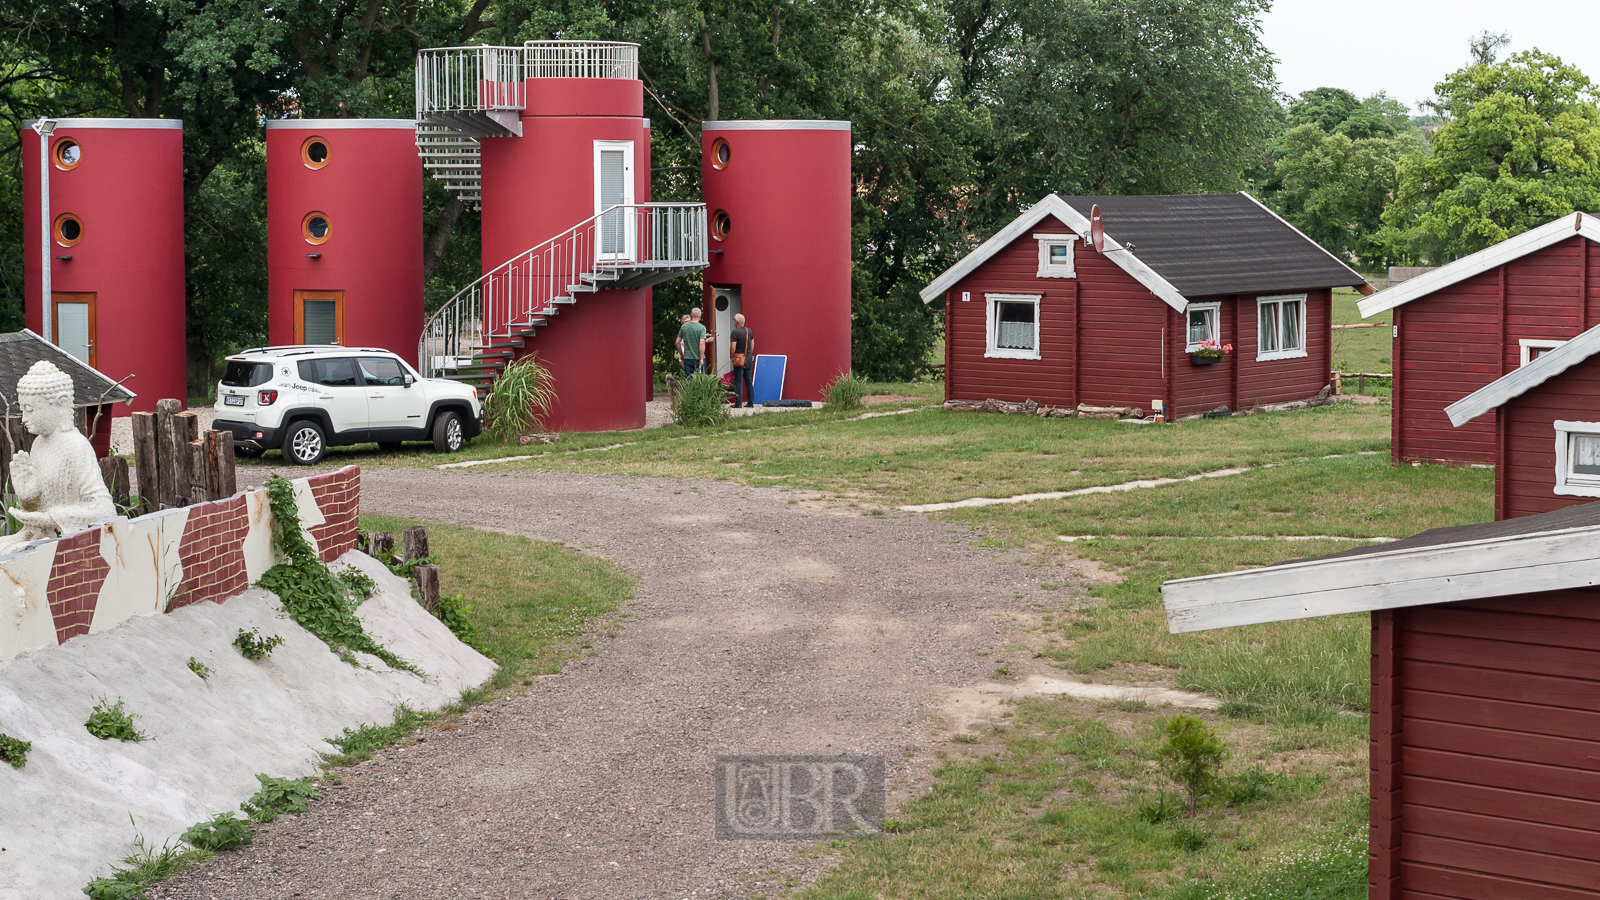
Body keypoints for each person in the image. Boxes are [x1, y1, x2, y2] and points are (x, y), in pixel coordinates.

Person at [0, 360, 115, 549]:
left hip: (66, 540)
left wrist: (50, 518)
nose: (25, 419)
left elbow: (104, 509)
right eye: (22, 410)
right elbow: (36, 511)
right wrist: (28, 496)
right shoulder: (38, 444)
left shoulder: (76, 446)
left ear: (60, 403)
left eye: (30, 410)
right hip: (39, 536)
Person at [729, 313, 756, 407]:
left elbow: (733, 346)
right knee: (748, 380)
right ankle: (751, 402)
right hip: (748, 358)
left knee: (738, 380)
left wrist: (732, 356)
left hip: (738, 358)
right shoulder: (749, 331)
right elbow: (752, 344)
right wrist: (749, 354)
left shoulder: (735, 332)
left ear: (736, 321)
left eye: (733, 319)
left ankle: (738, 403)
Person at [678, 308, 707, 378]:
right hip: (698, 358)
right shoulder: (702, 328)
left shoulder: (684, 327)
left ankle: (688, 389)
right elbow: (701, 343)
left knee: (688, 379)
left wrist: (681, 354)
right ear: (700, 315)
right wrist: (701, 358)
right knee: (702, 379)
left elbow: (677, 341)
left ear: (691, 315)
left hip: (687, 357)